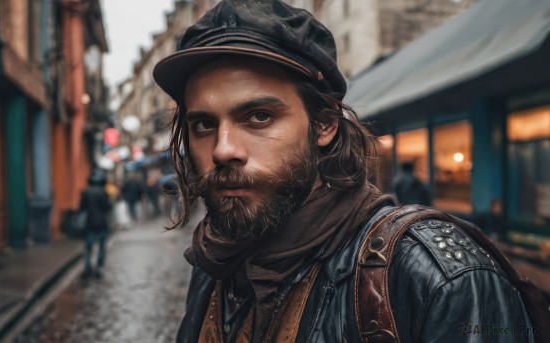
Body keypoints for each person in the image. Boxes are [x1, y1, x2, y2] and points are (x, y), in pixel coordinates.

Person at [152, 1, 550, 342]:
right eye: (203, 124)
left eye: (258, 116)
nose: (223, 150)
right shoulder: (212, 264)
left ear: (324, 124)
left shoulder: (436, 278)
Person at [79, 170, 112, 278]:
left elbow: (82, 208)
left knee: (88, 247)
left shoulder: (86, 192)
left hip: (90, 223)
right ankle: (99, 267)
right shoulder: (104, 192)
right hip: (102, 223)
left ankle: (87, 267)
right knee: (101, 247)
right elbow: (108, 207)